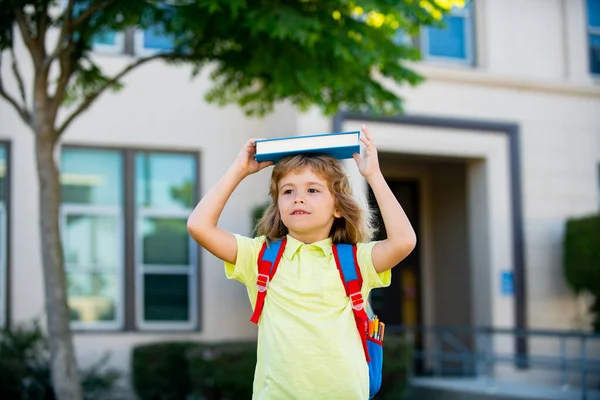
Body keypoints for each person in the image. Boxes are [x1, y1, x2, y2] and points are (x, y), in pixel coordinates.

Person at [187, 125, 416, 400]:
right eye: (287, 191)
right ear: (278, 207)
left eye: (312, 190)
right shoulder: (259, 257)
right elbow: (199, 226)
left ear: (339, 207)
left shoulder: (356, 260)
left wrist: (373, 175)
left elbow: (403, 241)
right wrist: (238, 171)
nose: (298, 197)